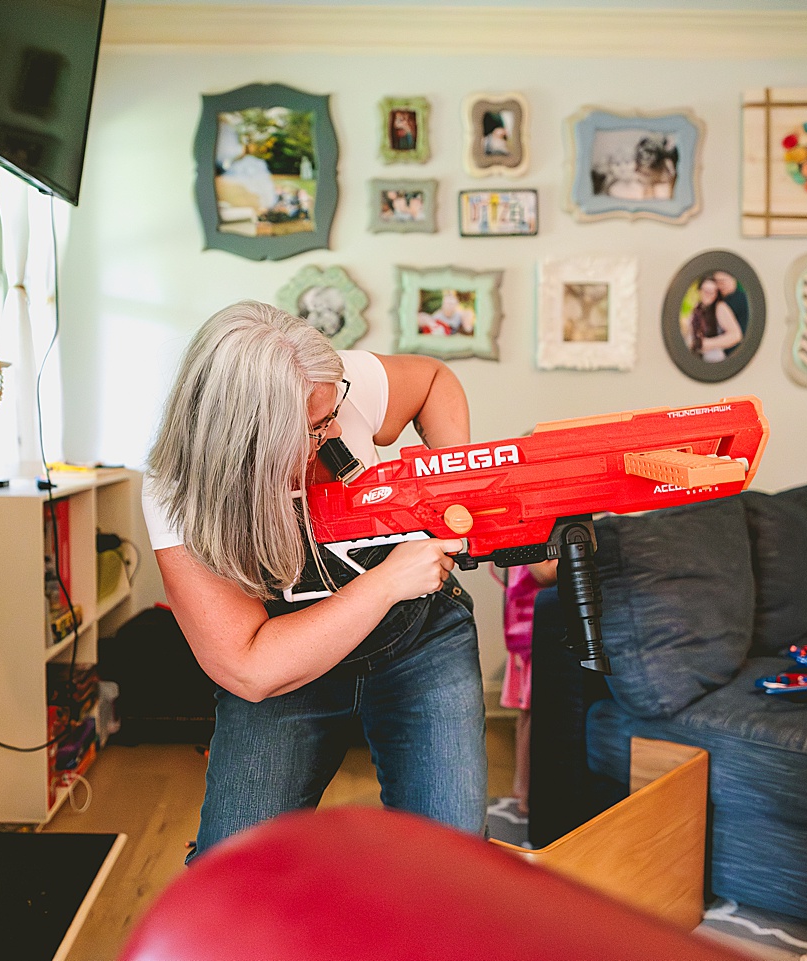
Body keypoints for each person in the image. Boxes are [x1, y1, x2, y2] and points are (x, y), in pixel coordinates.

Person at [144, 301, 487, 861]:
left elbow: (433, 380)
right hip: (288, 665)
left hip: (419, 642)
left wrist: (454, 484)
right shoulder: (177, 495)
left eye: (331, 415)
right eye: (308, 430)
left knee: (452, 864)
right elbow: (251, 669)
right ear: (240, 442)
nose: (329, 435)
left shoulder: (327, 385)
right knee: (233, 872)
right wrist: (385, 583)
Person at [499, 559, 558, 815]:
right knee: (535, 712)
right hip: (532, 630)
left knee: (528, 711)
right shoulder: (528, 533)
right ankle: (527, 794)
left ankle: (523, 789)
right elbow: (544, 572)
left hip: (526, 626)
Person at [687, 275, 743, 362]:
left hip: (714, 359)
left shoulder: (720, 307)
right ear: (699, 291)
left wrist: (707, 343)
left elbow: (736, 335)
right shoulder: (697, 308)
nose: (710, 295)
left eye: (713, 292)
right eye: (706, 291)